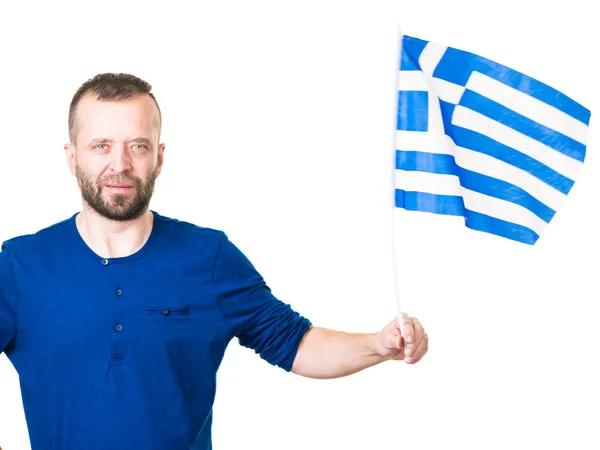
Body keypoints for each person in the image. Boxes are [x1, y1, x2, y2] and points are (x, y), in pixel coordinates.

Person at [0, 73, 428, 450]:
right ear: (72, 157)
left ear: (159, 158)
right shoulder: (19, 266)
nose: (121, 164)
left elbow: (295, 344)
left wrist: (377, 344)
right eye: (101, 146)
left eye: (138, 146)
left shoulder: (208, 257)